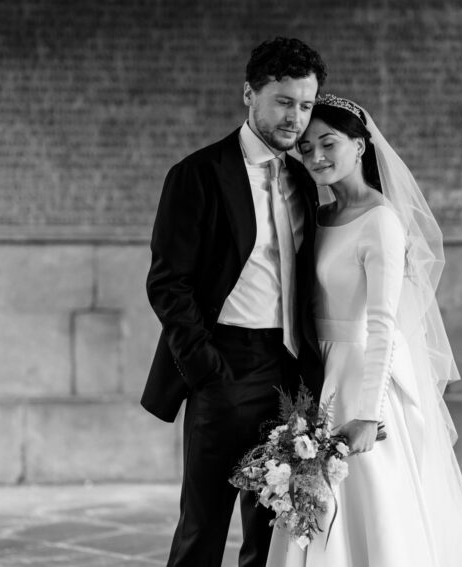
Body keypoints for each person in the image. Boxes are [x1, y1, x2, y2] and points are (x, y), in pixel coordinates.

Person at [266, 94, 462, 566]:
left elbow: (383, 325)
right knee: (316, 508)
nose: (315, 157)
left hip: (364, 377)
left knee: (370, 505)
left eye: (328, 143)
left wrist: (370, 413)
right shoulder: (319, 216)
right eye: (305, 148)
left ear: (360, 145)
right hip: (319, 373)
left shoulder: (382, 222)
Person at [141, 38, 326, 567]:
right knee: (203, 528)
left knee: (274, 534)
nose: (297, 117)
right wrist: (205, 367)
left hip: (290, 374)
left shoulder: (305, 178)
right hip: (224, 366)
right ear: (250, 94)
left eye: (307, 105)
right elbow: (166, 282)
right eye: (284, 101)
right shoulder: (196, 175)